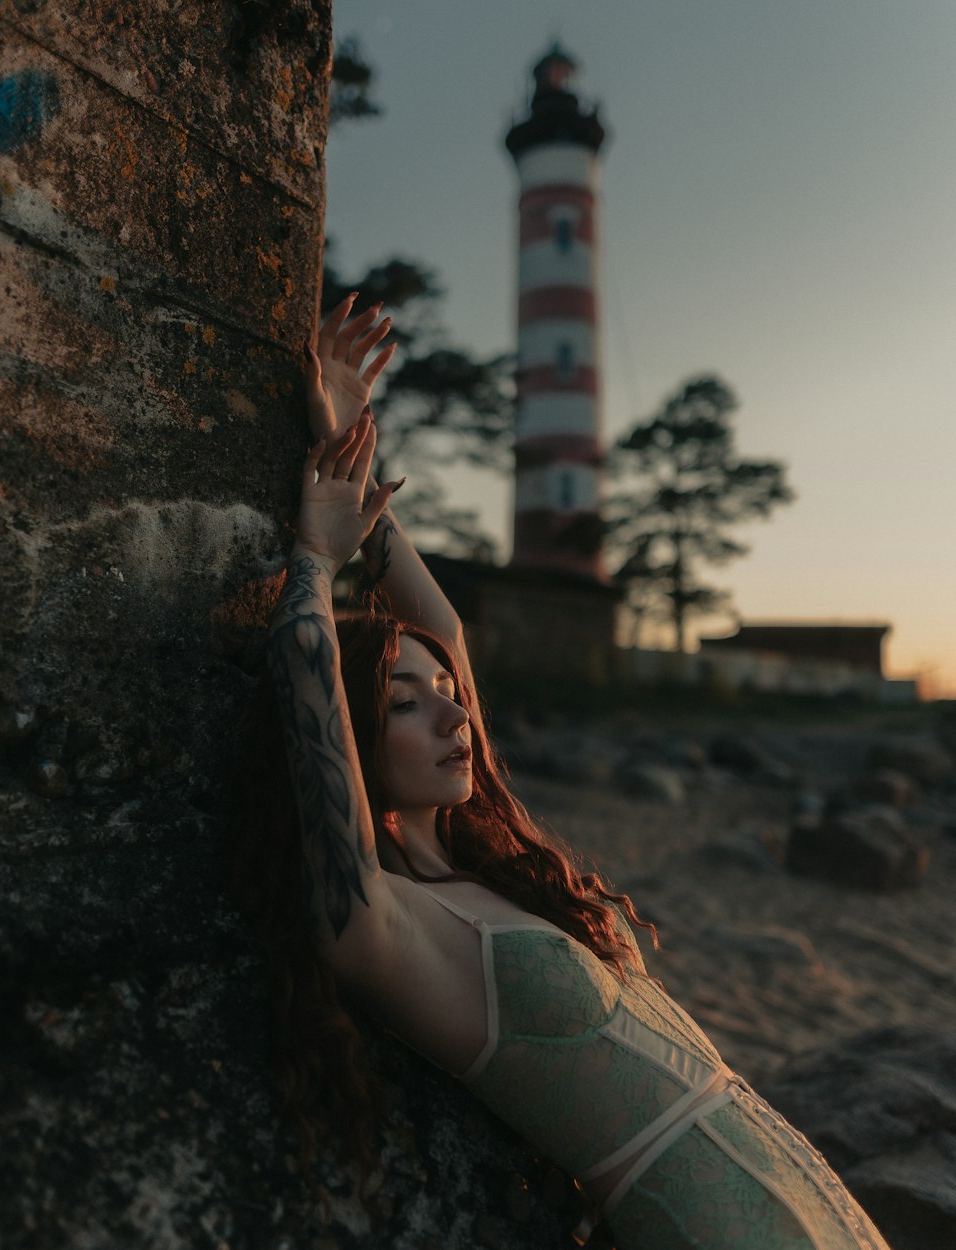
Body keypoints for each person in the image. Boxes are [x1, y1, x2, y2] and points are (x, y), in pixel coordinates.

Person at [248, 294, 892, 1249]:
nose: (455, 708)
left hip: (797, 1183)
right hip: (701, 1218)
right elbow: (308, 672)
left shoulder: (484, 859)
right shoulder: (381, 920)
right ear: (352, 737)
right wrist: (313, 556)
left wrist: (349, 454)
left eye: (446, 693)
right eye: (404, 704)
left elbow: (449, 635)